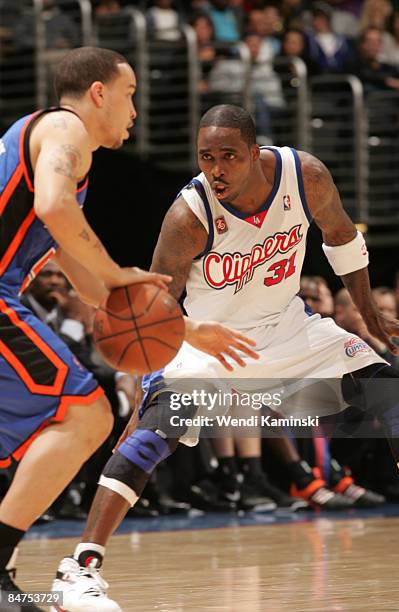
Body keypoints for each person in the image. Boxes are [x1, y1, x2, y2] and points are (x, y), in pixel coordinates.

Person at [53, 104, 399, 611]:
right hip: (210, 340)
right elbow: (157, 306)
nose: (215, 169)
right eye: (205, 157)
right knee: (153, 433)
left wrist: (369, 312)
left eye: (228, 157)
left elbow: (341, 236)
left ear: (255, 152)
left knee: (395, 394)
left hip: (288, 328)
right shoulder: (188, 215)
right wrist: (157, 371)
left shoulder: (303, 176)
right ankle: (79, 571)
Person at [0, 50, 256, 607]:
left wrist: (185, 331)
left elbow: (95, 287)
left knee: (30, 434)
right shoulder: (63, 128)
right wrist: (119, 271)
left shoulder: (49, 148)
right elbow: (52, 205)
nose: (135, 108)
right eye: (130, 91)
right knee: (86, 412)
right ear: (98, 92)